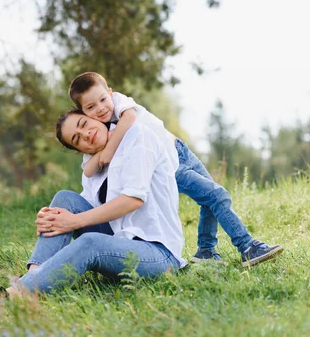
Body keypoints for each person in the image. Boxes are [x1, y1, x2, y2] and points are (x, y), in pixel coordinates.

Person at [67, 72, 282, 266]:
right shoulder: (99, 132)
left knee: (209, 200)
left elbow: (130, 116)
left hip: (182, 150)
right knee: (217, 196)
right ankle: (247, 247)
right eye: (91, 108)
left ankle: (206, 251)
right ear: (83, 112)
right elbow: (88, 169)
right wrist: (106, 151)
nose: (101, 108)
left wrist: (110, 147)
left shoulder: (119, 103)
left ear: (110, 94)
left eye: (103, 100)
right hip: (169, 164)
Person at [3, 110, 187, 297]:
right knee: (64, 198)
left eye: (83, 124)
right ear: (79, 150)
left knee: (91, 242)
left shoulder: (138, 135)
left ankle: (13, 295)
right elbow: (87, 207)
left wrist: (73, 221)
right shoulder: (93, 166)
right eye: (77, 139)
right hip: (119, 244)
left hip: (158, 253)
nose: (86, 134)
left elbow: (133, 200)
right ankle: (35, 274)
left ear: (95, 117)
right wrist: (52, 217)